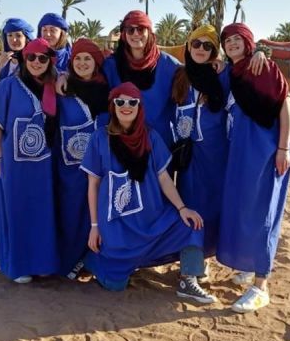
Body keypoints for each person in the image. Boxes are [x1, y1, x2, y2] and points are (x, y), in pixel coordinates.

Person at [81, 82, 216, 303]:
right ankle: (94, 262)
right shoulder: (99, 138)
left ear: (139, 106)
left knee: (191, 224)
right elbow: (93, 184)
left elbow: (164, 178)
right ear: (112, 106)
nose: (126, 106)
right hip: (118, 228)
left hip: (152, 220)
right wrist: (95, 227)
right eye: (120, 101)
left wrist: (182, 208)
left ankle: (188, 280)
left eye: (132, 102)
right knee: (115, 286)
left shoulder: (151, 137)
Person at [218, 22, 290, 313]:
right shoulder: (232, 73)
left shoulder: (262, 67)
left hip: (266, 148)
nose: (232, 44)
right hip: (241, 150)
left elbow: (285, 104)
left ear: (248, 43)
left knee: (264, 212)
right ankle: (251, 266)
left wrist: (283, 147)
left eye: (238, 39)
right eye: (228, 41)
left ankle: (261, 285)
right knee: (244, 208)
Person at [0, 38, 60, 283]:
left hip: (45, 165)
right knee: (17, 210)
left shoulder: (54, 87)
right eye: (31, 57)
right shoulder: (9, 86)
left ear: (49, 61)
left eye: (42, 58)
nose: (37, 62)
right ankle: (19, 265)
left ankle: (42, 262)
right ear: (24, 60)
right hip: (15, 165)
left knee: (42, 212)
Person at [170, 24, 230, 259]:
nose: (201, 49)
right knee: (191, 205)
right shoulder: (179, 75)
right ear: (188, 45)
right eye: (196, 43)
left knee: (214, 206)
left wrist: (259, 54)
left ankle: (206, 257)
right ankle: (191, 262)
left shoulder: (223, 75)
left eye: (208, 45)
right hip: (188, 157)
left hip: (216, 154)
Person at [55, 38, 111, 278]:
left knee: (97, 211)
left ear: (96, 62)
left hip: (100, 163)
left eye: (87, 58)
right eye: (77, 58)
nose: (82, 63)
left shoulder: (106, 88)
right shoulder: (64, 89)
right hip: (69, 165)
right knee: (71, 211)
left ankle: (93, 260)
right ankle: (71, 260)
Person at [101, 10, 181, 145]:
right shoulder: (111, 65)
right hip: (122, 144)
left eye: (140, 29)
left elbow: (192, 82)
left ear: (149, 32)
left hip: (159, 145)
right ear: (123, 34)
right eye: (130, 30)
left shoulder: (170, 66)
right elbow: (87, 79)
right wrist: (65, 76)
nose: (136, 34)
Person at [0, 18, 35, 82]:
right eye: (10, 35)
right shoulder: (0, 61)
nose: (14, 40)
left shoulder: (34, 62)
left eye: (18, 35)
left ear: (26, 38)